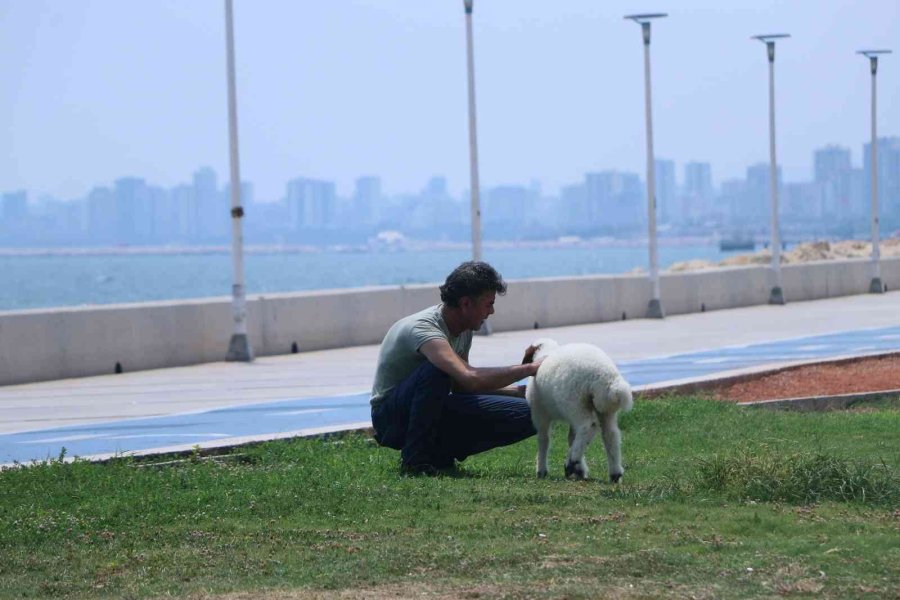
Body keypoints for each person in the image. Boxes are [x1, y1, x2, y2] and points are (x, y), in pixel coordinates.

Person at [370, 261, 542, 475]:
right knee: (437, 370)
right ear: (466, 303)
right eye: (488, 304)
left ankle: (439, 454)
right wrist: (531, 368)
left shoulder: (464, 328)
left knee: (536, 412)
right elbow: (470, 377)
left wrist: (521, 393)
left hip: (433, 407)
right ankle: (415, 461)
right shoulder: (425, 329)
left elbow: (461, 386)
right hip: (390, 419)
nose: (492, 311)